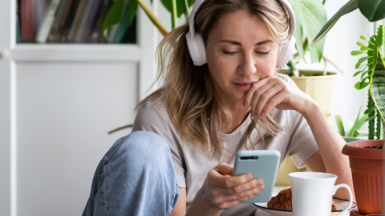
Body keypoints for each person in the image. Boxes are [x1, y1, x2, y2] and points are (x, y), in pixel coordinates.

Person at [82, 0, 354, 215]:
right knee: (141, 149)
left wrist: (310, 109)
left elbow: (351, 192)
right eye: (229, 51)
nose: (248, 69)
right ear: (198, 49)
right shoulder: (161, 117)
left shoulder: (286, 105)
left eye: (263, 51)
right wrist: (209, 201)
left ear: (282, 53)